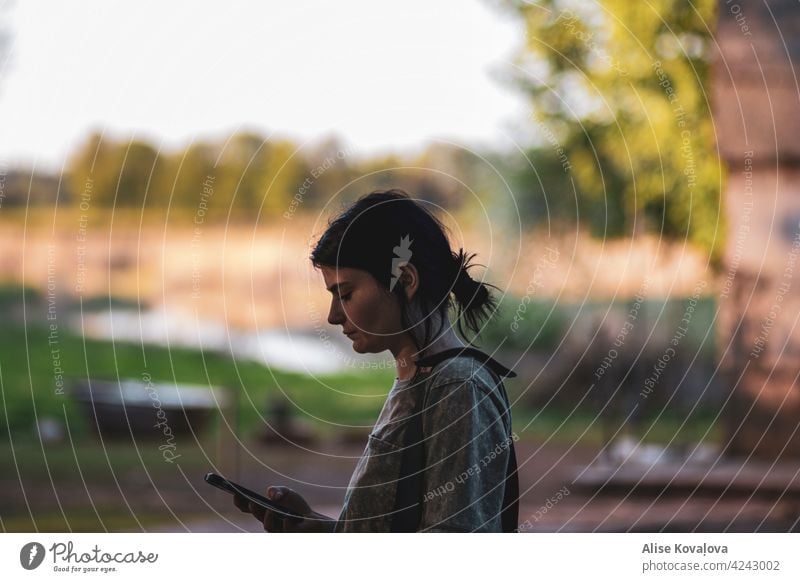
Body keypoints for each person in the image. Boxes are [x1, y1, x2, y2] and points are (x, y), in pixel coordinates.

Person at [234, 189, 519, 532]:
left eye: (346, 294)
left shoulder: (456, 386)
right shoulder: (421, 380)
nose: (333, 316)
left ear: (407, 281)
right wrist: (315, 526)